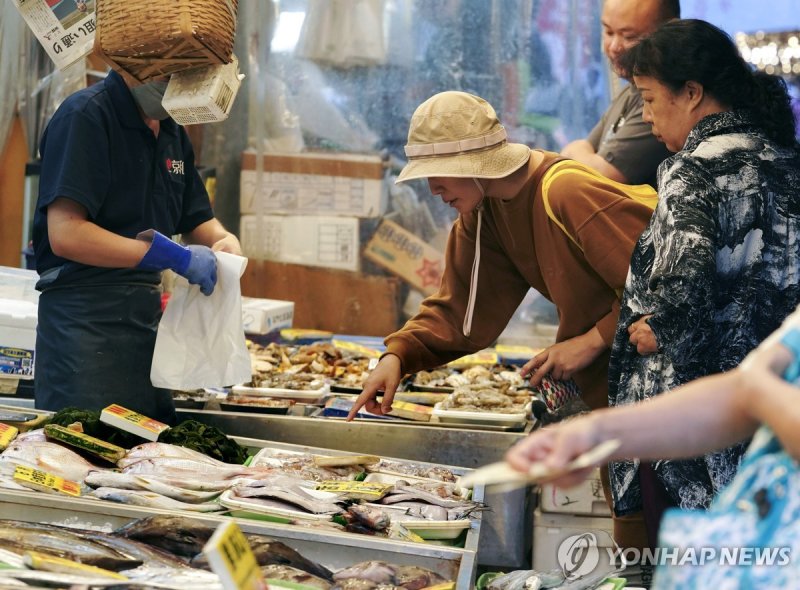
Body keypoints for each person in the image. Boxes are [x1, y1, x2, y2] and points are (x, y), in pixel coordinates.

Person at [348, 90, 656, 549]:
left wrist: (592, 339)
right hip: (611, 405)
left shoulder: (565, 189)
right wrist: (398, 355)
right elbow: (462, 311)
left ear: (474, 161)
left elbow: (666, 282)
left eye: (437, 175)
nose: (432, 189)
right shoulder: (485, 211)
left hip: (660, 399)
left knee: (669, 547)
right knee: (636, 544)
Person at [606, 19, 800, 548]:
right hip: (776, 413)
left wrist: (656, 327)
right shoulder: (787, 158)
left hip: (693, 429)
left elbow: (682, 294)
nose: (646, 116)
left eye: (648, 99)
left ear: (691, 93)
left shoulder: (691, 169)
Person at [506, 303, 800, 588]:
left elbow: (752, 391)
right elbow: (735, 395)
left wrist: (756, 388)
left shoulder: (757, 389)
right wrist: (593, 433)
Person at [33, 69, 241, 424]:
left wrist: (223, 240)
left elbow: (194, 219)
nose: (173, 82)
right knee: (86, 454)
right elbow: (66, 233)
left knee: (145, 459)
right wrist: (170, 255)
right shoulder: (85, 115)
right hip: (83, 324)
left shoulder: (173, 130)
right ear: (134, 63)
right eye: (165, 73)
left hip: (145, 325)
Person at [560, 0, 677, 187]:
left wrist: (579, 154)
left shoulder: (663, 103)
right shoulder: (630, 91)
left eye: (629, 37)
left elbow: (597, 178)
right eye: (608, 32)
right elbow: (576, 154)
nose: (614, 47)